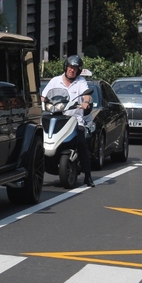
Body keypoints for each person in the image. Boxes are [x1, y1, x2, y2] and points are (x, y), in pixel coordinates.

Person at [42, 55, 95, 187]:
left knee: (82, 143)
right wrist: (43, 102)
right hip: (57, 117)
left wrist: (86, 103)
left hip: (75, 119)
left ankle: (88, 176)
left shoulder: (81, 81)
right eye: (70, 67)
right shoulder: (55, 81)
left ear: (78, 70)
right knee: (40, 139)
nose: (72, 70)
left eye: (75, 68)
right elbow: (44, 96)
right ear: (66, 67)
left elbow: (86, 94)